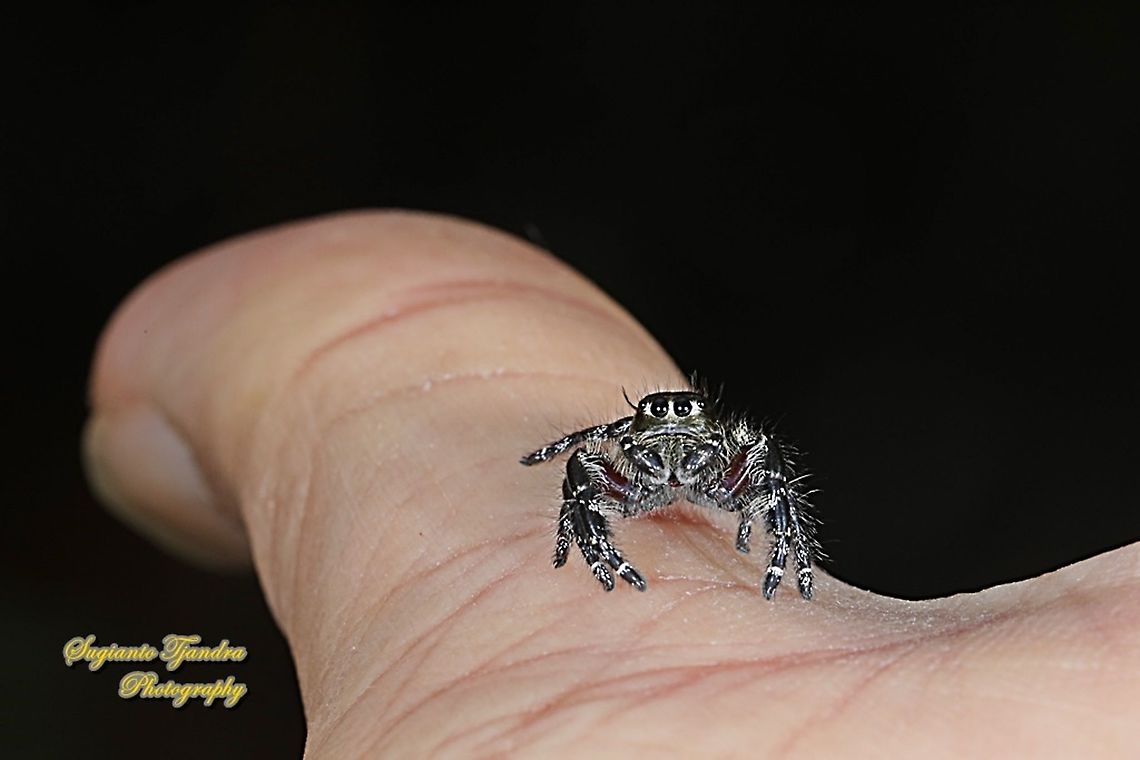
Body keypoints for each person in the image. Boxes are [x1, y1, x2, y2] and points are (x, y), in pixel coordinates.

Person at [84, 211, 1139, 756]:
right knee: (587, 476)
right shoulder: (619, 451)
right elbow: (584, 454)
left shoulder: (723, 452)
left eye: (691, 433)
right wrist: (571, 525)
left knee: (763, 479)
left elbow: (766, 473)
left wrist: (781, 557)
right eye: (654, 430)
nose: (672, 445)